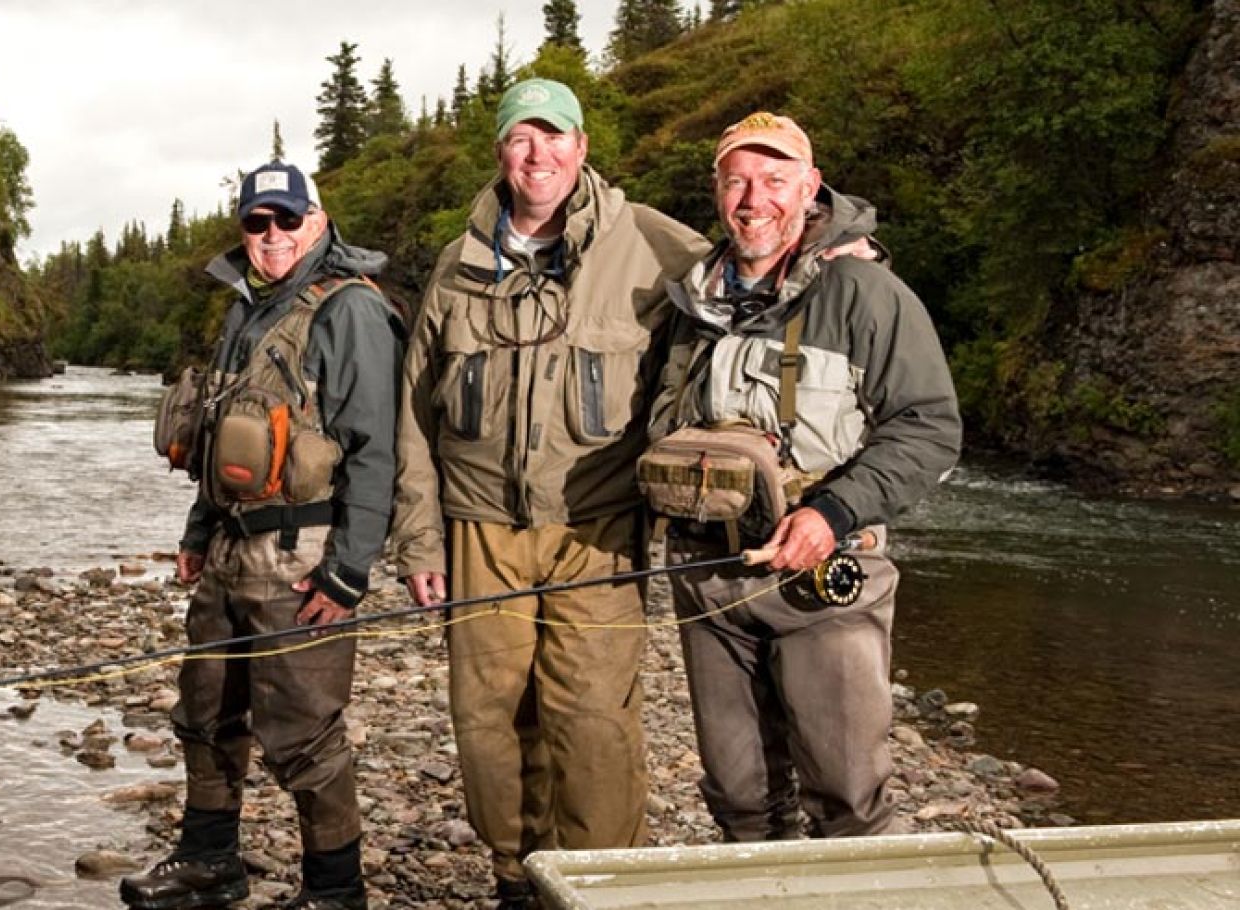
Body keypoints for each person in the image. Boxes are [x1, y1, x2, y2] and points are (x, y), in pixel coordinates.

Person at [391, 78, 710, 909]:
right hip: (478, 532)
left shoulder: (649, 242)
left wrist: (841, 252)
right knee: (489, 724)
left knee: (592, 720)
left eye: (555, 136)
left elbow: (756, 268)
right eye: (521, 139)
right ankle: (517, 878)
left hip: (596, 531)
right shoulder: (458, 266)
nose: (539, 155)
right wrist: (420, 540)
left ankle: (603, 885)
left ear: (583, 146)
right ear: (500, 152)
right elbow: (414, 415)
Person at [644, 112, 962, 842]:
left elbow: (931, 427)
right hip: (708, 575)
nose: (755, 199)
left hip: (824, 578)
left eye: (775, 180)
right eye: (738, 182)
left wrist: (832, 514)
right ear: (718, 192)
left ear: (810, 187)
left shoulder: (865, 293)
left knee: (848, 801)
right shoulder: (690, 302)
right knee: (739, 799)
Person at [123, 161, 402, 910]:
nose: (271, 235)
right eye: (256, 222)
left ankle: (336, 891)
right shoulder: (246, 308)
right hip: (228, 552)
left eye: (286, 219)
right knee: (206, 709)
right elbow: (219, 435)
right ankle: (210, 859)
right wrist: (196, 532)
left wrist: (348, 573)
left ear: (316, 220)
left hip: (302, 557)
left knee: (306, 733)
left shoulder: (352, 312)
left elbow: (378, 453)